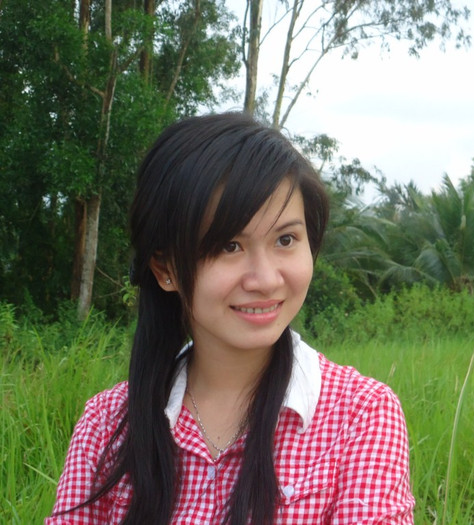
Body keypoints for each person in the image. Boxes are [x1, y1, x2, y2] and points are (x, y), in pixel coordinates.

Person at [46, 113, 414, 524]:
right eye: (229, 246)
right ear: (165, 269)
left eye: (286, 239)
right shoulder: (106, 425)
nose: (266, 279)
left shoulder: (361, 416)